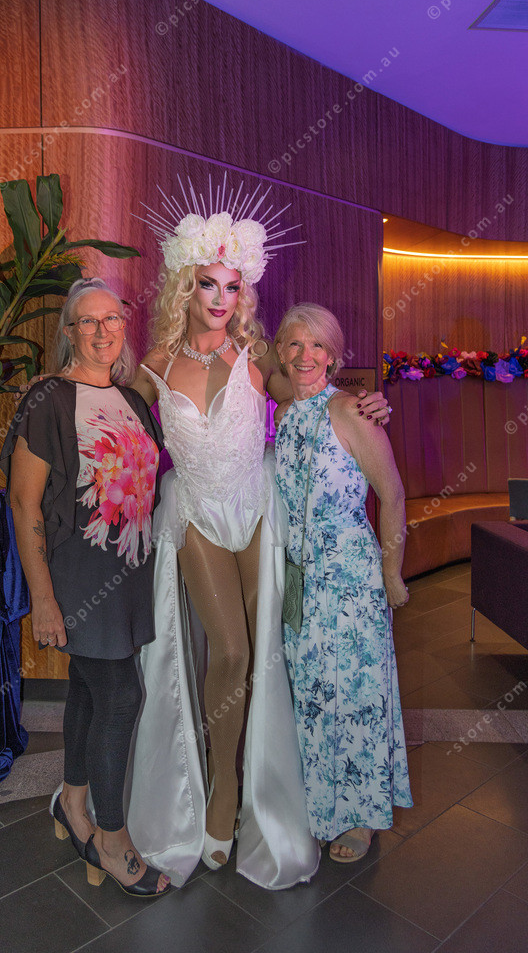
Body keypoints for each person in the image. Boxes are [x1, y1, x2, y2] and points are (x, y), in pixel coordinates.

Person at [126, 177, 392, 887]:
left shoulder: (257, 357)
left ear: (242, 292)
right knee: (233, 652)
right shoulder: (152, 369)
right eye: (207, 284)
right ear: (186, 286)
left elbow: (313, 393)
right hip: (198, 516)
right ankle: (220, 795)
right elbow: (115, 429)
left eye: (231, 286)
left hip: (258, 510)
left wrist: (367, 403)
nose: (220, 298)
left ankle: (259, 784)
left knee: (264, 655)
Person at [0, 278, 170, 897]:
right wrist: (43, 598)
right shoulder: (48, 399)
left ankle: (70, 802)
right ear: (69, 332)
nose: (103, 331)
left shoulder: (131, 399)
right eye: (89, 321)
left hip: (126, 573)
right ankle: (110, 839)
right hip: (77, 575)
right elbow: (24, 503)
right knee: (121, 695)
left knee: (89, 689)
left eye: (113, 319)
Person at [274, 302, 412, 863]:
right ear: (281, 353)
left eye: (318, 346)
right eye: (295, 344)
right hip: (299, 578)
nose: (306, 356)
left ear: (333, 356)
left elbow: (393, 495)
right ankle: (319, 806)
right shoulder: (282, 413)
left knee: (355, 695)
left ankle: (360, 815)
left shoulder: (353, 411)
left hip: (351, 577)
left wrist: (391, 573)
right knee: (311, 696)